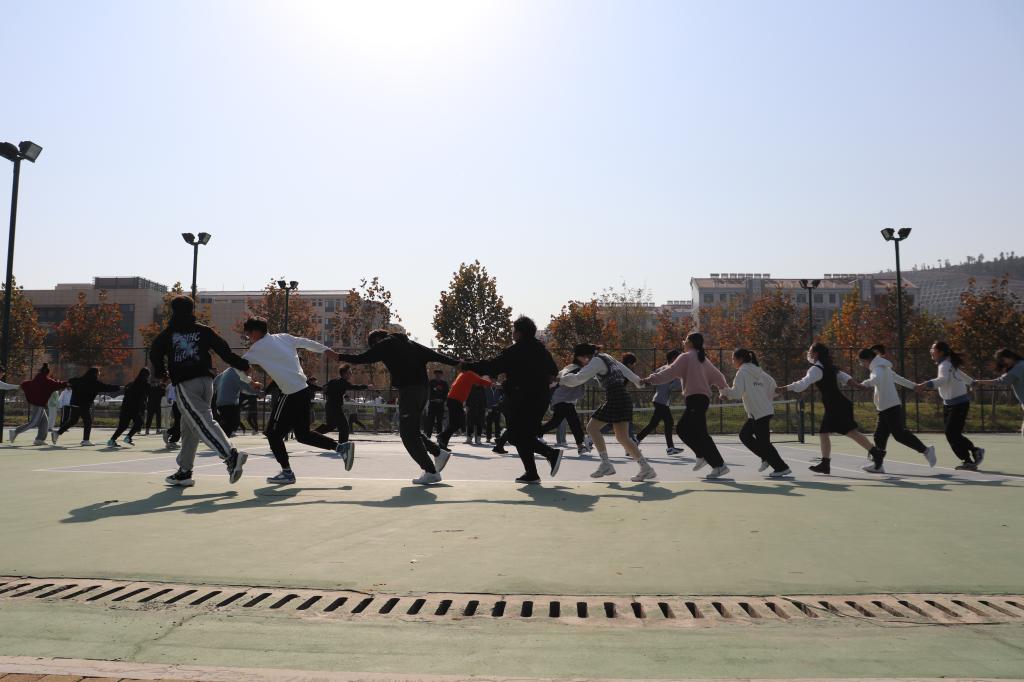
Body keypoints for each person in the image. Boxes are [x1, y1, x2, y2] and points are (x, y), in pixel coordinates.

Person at [149, 296, 249, 487]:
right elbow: (223, 349)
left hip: (186, 383)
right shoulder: (203, 330)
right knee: (189, 426)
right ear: (191, 310)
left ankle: (231, 455)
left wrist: (162, 373)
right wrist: (241, 364)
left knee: (202, 421)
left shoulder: (169, 333)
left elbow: (155, 352)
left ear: (173, 310)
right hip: (206, 382)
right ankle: (184, 471)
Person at [240, 318, 353, 484]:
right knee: (303, 435)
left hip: (290, 394)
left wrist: (250, 381)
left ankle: (287, 472)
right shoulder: (284, 337)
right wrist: (326, 350)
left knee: (272, 434)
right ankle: (341, 448)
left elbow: (237, 368)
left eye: (249, 334)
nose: (249, 338)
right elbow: (306, 342)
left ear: (256, 332)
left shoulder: (256, 349)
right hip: (303, 391)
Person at [338, 330, 458, 484]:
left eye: (375, 345)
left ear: (378, 340)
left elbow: (363, 358)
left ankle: (431, 471)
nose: (377, 350)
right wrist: (457, 363)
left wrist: (338, 356)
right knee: (413, 430)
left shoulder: (386, 343)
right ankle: (438, 453)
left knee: (407, 434)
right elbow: (433, 354)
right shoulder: (409, 343)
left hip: (410, 390)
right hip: (421, 389)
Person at [464, 317, 562, 484]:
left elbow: (492, 366)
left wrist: (469, 366)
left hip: (522, 399)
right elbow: (553, 371)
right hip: (541, 398)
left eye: (514, 330)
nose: (512, 333)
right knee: (525, 435)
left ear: (520, 333)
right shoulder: (542, 350)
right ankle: (531, 473)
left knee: (516, 435)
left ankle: (551, 454)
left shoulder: (515, 351)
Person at [782, 343, 882, 475]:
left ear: (816, 354)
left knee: (825, 432)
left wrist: (784, 388)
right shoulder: (829, 367)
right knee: (849, 432)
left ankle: (826, 464)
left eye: (810, 351)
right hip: (839, 404)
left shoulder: (816, 369)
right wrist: (858, 385)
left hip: (835, 405)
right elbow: (846, 378)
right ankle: (875, 453)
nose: (809, 354)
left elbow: (802, 384)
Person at [560, 344, 655, 481]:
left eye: (580, 359)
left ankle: (606, 464)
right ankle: (646, 468)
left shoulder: (596, 361)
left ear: (584, 356)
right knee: (623, 437)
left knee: (592, 428)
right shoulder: (607, 357)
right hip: (623, 398)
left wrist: (561, 380)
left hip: (615, 398)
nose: (582, 362)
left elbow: (579, 378)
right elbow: (626, 371)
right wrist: (639, 382)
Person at [645, 333, 731, 479]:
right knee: (700, 433)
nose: (683, 343)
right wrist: (724, 391)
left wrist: (649, 379)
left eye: (685, 341)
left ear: (690, 343)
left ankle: (711, 461)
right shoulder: (703, 359)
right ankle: (715, 464)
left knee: (682, 429)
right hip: (701, 400)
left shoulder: (686, 357)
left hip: (695, 400)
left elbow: (669, 372)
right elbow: (719, 377)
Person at [857, 345, 935, 474]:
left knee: (899, 435)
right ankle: (878, 465)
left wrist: (864, 384)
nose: (862, 365)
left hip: (890, 407)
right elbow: (899, 379)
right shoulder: (883, 367)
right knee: (879, 436)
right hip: (885, 408)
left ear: (867, 360)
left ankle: (926, 450)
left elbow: (876, 379)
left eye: (861, 362)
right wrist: (914, 386)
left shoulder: (878, 368)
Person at [720, 349, 791, 478]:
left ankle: (781, 467)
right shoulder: (759, 371)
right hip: (761, 412)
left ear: (740, 359)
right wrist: (766, 397)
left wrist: (725, 393)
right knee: (745, 435)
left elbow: (737, 393)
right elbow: (772, 385)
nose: (732, 361)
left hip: (759, 413)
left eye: (733, 359)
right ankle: (766, 458)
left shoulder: (742, 372)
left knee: (762, 442)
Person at [916, 341, 983, 470]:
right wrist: (971, 382)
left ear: (940, 352)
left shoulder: (945, 364)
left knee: (951, 433)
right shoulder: (948, 363)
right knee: (952, 434)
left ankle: (972, 454)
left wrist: (925, 384)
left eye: (933, 349)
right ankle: (971, 456)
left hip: (959, 404)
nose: (931, 351)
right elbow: (959, 374)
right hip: (950, 404)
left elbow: (942, 380)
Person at [53, 367, 121, 446]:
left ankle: (57, 433)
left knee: (73, 421)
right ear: (95, 374)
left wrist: (70, 383)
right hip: (83, 405)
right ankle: (85, 440)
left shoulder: (78, 380)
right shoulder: (95, 383)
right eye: (98, 374)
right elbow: (107, 387)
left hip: (74, 404)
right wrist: (118, 387)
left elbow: (71, 381)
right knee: (88, 422)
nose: (98, 375)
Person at [636, 349, 684, 456]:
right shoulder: (672, 370)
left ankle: (670, 448)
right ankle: (636, 440)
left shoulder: (661, 368)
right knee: (662, 423)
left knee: (662, 423)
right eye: (679, 358)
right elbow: (673, 387)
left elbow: (653, 379)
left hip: (659, 400)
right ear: (674, 358)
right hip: (661, 401)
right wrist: (681, 380)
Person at [539, 362, 591, 455]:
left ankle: (535, 433)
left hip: (563, 399)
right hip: (562, 399)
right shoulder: (576, 369)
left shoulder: (573, 368)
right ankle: (580, 445)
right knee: (573, 422)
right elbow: (560, 380)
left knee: (556, 422)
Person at [10, 364, 67, 445]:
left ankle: (39, 439)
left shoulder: (35, 381)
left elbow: (24, 384)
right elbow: (58, 385)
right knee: (34, 422)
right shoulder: (47, 381)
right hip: (39, 404)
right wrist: (67, 383)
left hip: (36, 404)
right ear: (47, 373)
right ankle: (15, 431)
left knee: (44, 422)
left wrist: (22, 386)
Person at [974, 348, 1024, 438]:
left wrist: (979, 382)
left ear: (1010, 357)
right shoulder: (1020, 364)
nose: (1003, 363)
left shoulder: (1019, 367)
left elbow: (1000, 381)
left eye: (1002, 360)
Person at [437, 370, 492, 450]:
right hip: (455, 400)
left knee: (453, 424)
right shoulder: (470, 374)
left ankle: (443, 444)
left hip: (454, 400)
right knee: (459, 422)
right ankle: (441, 436)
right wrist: (493, 384)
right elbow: (480, 381)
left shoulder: (463, 374)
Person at [314, 363, 370, 442]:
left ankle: (313, 433)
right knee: (344, 428)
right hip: (336, 408)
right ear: (344, 374)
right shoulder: (343, 382)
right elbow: (354, 387)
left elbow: (324, 389)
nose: (351, 374)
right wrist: (366, 386)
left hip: (329, 406)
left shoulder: (333, 381)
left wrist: (330, 394)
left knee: (331, 426)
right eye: (350, 372)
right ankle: (342, 445)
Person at [213, 366, 259, 437]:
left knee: (228, 422)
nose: (247, 375)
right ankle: (223, 437)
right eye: (247, 373)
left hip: (220, 403)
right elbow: (245, 388)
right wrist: (259, 393)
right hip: (230, 403)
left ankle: (223, 435)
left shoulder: (226, 372)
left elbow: (215, 381)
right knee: (233, 423)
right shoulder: (237, 375)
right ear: (244, 370)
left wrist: (216, 391)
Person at [109, 368, 150, 446]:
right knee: (139, 423)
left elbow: (126, 393)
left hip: (125, 407)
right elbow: (148, 394)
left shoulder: (130, 384)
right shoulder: (145, 385)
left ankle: (112, 440)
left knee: (123, 426)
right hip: (135, 408)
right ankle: (128, 437)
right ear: (147, 376)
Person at [425, 369, 449, 436]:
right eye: (436, 374)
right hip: (432, 404)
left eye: (439, 374)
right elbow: (428, 392)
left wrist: (443, 400)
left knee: (439, 421)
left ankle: (439, 436)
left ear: (441, 375)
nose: (437, 375)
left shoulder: (444, 383)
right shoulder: (431, 382)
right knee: (430, 421)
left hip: (440, 404)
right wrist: (429, 400)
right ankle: (428, 436)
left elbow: (447, 393)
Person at [163, 383, 182, 449]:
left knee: (179, 423)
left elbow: (169, 398)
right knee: (180, 423)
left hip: (177, 404)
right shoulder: (176, 383)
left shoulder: (172, 384)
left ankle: (172, 440)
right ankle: (169, 434)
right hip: (179, 404)